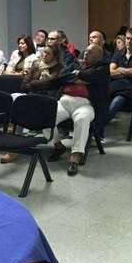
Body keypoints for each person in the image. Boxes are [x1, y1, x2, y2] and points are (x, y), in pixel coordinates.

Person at [46, 44, 110, 176]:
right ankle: (58, 146)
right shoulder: (75, 64)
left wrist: (77, 75)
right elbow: (62, 76)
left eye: (90, 52)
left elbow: (95, 75)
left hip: (85, 104)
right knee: (45, 115)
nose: (86, 53)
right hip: (64, 101)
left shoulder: (103, 68)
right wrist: (81, 79)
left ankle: (75, 156)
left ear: (99, 56)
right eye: (86, 51)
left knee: (82, 118)